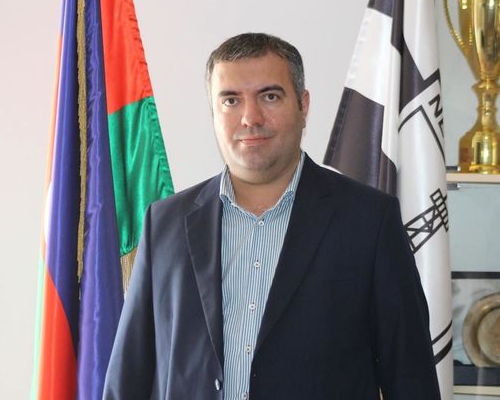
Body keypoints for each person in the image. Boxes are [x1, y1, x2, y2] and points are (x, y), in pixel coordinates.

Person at [103, 32, 440, 400]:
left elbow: (411, 379)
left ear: (303, 106)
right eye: (231, 100)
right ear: (214, 113)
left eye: (270, 96)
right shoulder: (165, 224)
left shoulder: (369, 222)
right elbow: (128, 378)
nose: (250, 118)